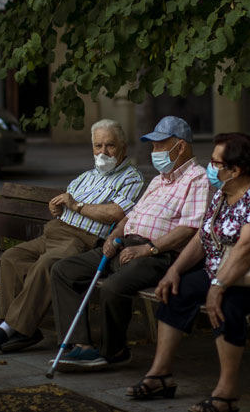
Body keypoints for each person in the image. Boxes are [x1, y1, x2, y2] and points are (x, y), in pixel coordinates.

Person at [125, 133, 250, 412]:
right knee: (177, 288)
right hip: (227, 272)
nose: (210, 167)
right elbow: (201, 238)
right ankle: (160, 375)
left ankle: (227, 394)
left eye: (216, 162)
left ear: (236, 170)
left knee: (227, 302)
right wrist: (174, 270)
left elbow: (247, 247)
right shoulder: (225, 193)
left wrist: (218, 285)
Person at [49, 116, 210, 371]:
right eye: (153, 146)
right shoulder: (159, 179)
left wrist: (147, 248)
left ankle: (115, 351)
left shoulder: (197, 179)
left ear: (180, 147)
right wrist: (114, 236)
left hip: (159, 253)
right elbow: (130, 216)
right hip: (126, 244)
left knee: (113, 287)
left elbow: (189, 229)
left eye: (159, 146)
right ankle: (81, 346)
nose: (154, 152)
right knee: (62, 271)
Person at [0, 119, 144, 353]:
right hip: (53, 232)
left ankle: (11, 327)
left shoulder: (132, 177)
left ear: (123, 148)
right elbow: (66, 202)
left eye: (110, 145)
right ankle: (20, 327)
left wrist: (76, 206)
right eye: (98, 146)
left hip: (82, 240)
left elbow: (116, 212)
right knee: (12, 257)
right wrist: (58, 208)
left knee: (47, 264)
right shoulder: (86, 176)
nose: (103, 152)